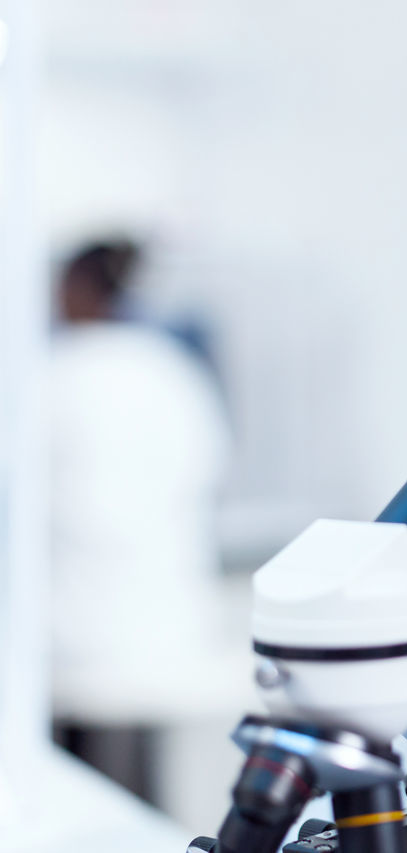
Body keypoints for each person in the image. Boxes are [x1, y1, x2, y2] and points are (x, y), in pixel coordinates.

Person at [48, 240, 231, 802]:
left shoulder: (56, 373)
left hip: (77, 633)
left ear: (79, 289)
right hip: (154, 621)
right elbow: (209, 470)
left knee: (81, 801)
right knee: (135, 796)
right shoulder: (172, 371)